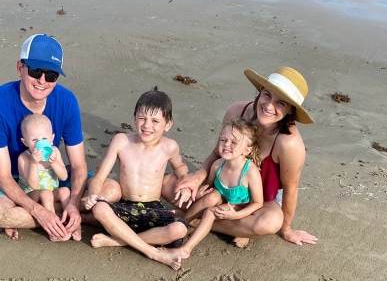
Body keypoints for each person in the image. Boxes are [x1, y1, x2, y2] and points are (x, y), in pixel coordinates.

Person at [165, 66, 318, 247]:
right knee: (167, 185)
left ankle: (195, 220)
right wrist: (197, 178)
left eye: (281, 103)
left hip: (261, 201)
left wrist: (286, 230)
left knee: (270, 223)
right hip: (222, 187)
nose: (269, 106)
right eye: (267, 95)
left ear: (291, 110)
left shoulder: (289, 143)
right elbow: (217, 154)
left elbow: (291, 189)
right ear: (260, 91)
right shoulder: (236, 112)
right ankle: (231, 226)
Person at [0, 33, 87, 241]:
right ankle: (69, 219)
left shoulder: (67, 101)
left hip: (52, 176)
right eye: (36, 71)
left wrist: (74, 204)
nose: (42, 81)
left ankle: (65, 216)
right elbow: (2, 176)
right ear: (20, 68)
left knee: (109, 190)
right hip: (13, 180)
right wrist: (38, 211)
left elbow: (78, 165)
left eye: (51, 75)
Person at [82, 88, 188, 270]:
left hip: (152, 208)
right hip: (125, 208)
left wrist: (186, 183)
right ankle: (153, 252)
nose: (147, 125)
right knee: (100, 208)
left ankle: (118, 240)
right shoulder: (121, 141)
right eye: (142, 118)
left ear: (168, 124)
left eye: (155, 121)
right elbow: (100, 176)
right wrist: (92, 194)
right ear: (134, 118)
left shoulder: (169, 147)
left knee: (179, 229)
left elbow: (180, 167)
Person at [166, 117, 263, 259]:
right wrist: (198, 194)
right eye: (223, 140)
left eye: (234, 142)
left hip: (239, 208)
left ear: (246, 150)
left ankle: (186, 249)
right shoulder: (217, 165)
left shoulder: (250, 172)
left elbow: (258, 203)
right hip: (220, 200)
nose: (226, 144)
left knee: (211, 212)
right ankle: (183, 223)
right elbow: (208, 188)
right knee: (212, 196)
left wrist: (237, 215)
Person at [16, 113, 70, 215]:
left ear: (52, 138)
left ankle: (69, 217)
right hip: (31, 195)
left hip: (52, 191)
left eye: (44, 139)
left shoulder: (55, 151)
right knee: (46, 194)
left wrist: (53, 163)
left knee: (65, 191)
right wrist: (34, 163)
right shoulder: (24, 158)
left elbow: (64, 177)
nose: (39, 143)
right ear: (25, 142)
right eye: (34, 140)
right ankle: (53, 222)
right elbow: (34, 185)